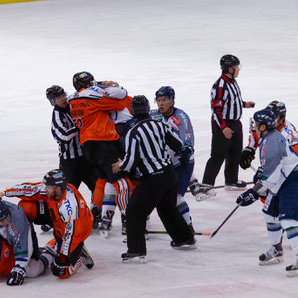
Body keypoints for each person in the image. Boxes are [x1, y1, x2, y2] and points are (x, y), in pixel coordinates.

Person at [112, 95, 195, 263]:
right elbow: (179, 145)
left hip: (152, 178)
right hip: (169, 174)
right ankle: (185, 239)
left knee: (134, 212)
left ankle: (136, 251)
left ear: (133, 111)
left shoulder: (133, 132)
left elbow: (131, 161)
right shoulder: (160, 125)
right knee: (167, 208)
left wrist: (120, 166)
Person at [236, 109, 298, 277]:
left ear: (263, 126)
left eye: (256, 124)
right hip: (281, 180)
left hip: (292, 181)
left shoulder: (271, 142)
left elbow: (272, 176)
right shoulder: (268, 138)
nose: (254, 127)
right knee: (269, 214)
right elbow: (271, 172)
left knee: (287, 220)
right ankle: (277, 249)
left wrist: (253, 192)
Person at [68, 71, 134, 237]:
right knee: (122, 181)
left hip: (88, 147)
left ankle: (95, 214)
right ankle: (128, 219)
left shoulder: (73, 99)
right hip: (102, 143)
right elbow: (119, 104)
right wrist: (114, 87)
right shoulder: (91, 94)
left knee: (101, 180)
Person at [46, 85, 101, 229]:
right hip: (69, 162)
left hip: (84, 158)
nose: (63, 98)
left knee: (97, 185)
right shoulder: (57, 116)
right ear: (52, 102)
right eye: (58, 98)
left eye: (63, 94)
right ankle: (54, 218)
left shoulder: (72, 105)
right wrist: (80, 125)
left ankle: (95, 216)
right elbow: (64, 135)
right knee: (64, 192)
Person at [202, 54, 255, 190]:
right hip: (223, 124)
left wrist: (244, 104)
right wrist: (224, 128)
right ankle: (207, 184)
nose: (238, 69)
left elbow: (231, 101)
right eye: (236, 66)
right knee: (218, 155)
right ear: (230, 69)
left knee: (235, 153)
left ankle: (231, 181)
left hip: (235, 123)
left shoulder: (233, 82)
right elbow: (216, 109)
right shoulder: (220, 86)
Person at [0, 199, 53, 285]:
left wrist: (19, 268)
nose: (6, 221)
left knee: (32, 270)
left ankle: (49, 255)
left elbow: (23, 245)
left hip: (20, 233)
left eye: (7, 217)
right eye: (2, 221)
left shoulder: (18, 218)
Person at [149, 86, 194, 229]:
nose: (160, 103)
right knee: (154, 195)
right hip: (164, 164)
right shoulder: (154, 115)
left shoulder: (181, 117)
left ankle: (188, 226)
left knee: (177, 197)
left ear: (172, 101)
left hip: (182, 163)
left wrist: (186, 151)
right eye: (158, 100)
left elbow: (188, 138)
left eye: (164, 100)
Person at [41, 169, 94, 278]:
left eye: (48, 187)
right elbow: (31, 189)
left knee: (61, 273)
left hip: (78, 233)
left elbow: (72, 235)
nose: (45, 189)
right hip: (68, 228)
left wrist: (62, 257)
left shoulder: (70, 209)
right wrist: (4, 193)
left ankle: (80, 256)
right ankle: (57, 244)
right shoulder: (61, 190)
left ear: (58, 189)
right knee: (29, 206)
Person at [240, 100, 298, 170]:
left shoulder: (287, 131)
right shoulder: (261, 124)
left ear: (281, 119)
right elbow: (255, 139)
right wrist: (248, 152)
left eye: (274, 118)